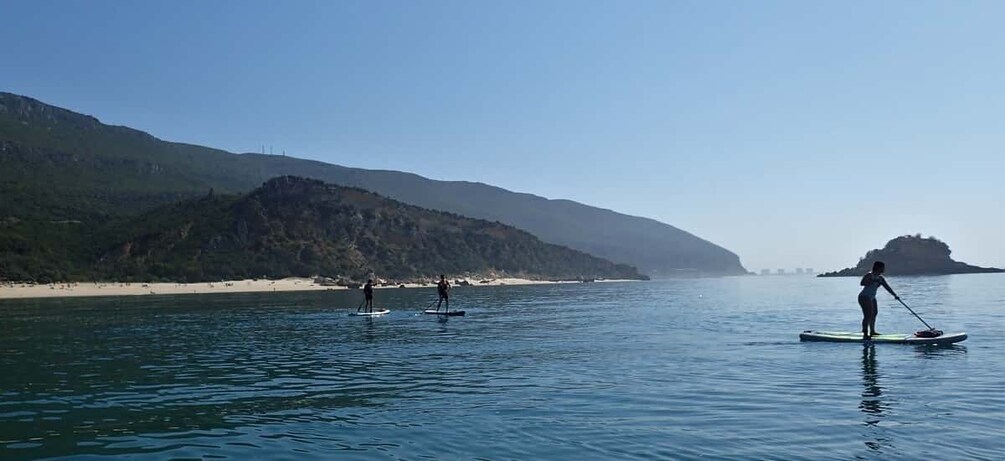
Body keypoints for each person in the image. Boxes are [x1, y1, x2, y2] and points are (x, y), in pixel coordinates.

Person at [858, 261, 899, 340]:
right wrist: (873, 281)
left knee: (874, 313)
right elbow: (862, 283)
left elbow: (887, 287)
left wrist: (895, 295)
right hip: (864, 297)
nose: (884, 269)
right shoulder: (869, 275)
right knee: (868, 315)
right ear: (878, 268)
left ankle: (872, 331)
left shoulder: (880, 278)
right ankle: (865, 333)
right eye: (882, 267)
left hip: (872, 297)